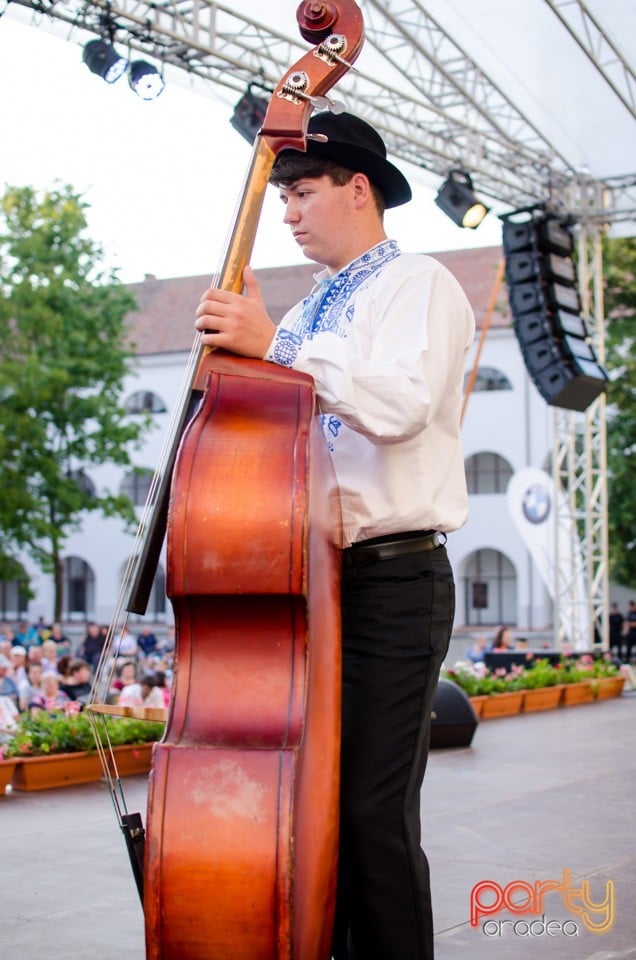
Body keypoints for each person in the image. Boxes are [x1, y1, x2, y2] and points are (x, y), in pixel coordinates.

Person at [195, 111, 475, 960]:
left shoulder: (416, 282)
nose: (285, 211)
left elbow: (397, 406)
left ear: (360, 190)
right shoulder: (320, 300)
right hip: (319, 578)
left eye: (302, 191)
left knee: (370, 814)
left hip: (393, 579)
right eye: (281, 194)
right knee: (321, 808)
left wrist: (273, 343)